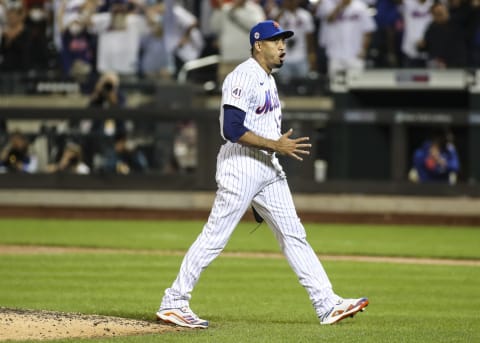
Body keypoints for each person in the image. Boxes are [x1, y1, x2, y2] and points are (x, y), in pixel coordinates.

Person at [155, 20, 369, 329]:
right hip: (242, 165)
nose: (282, 46)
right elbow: (231, 129)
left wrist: (271, 154)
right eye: (275, 41)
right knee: (215, 237)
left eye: (283, 41)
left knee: (294, 234)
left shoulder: (267, 78)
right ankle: (174, 301)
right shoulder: (243, 76)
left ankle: (327, 303)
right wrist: (275, 145)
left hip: (267, 168)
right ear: (258, 45)